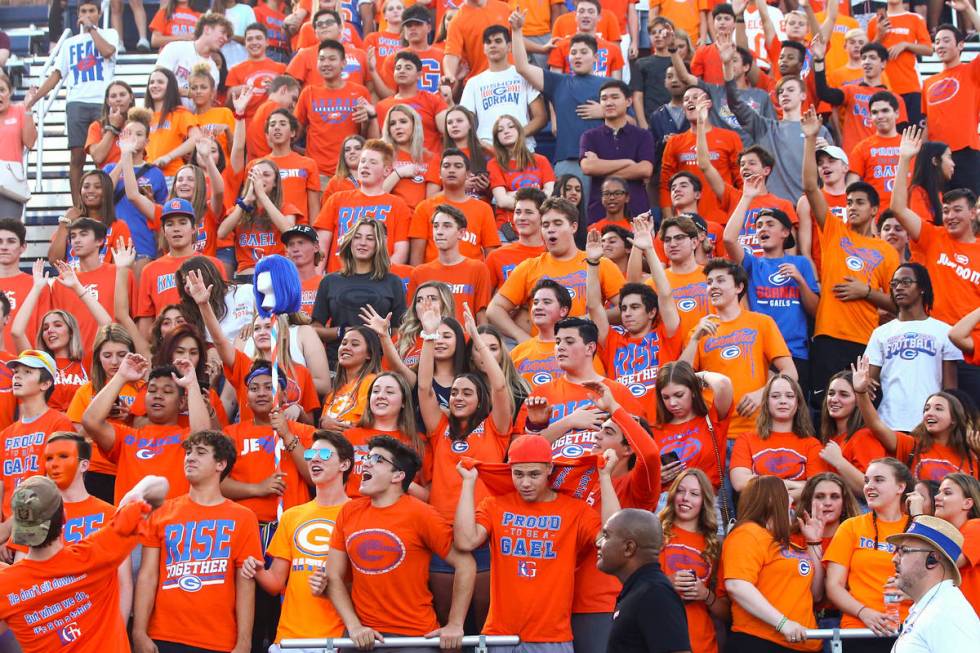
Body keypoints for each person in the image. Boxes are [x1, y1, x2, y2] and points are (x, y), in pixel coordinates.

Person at [453, 434, 613, 653]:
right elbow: (465, 540)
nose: (525, 483)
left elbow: (612, 539)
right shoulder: (494, 505)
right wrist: (468, 483)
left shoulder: (575, 510)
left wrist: (604, 477)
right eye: (518, 474)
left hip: (551, 636)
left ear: (549, 469)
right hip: (498, 634)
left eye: (534, 474)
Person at [326, 436, 474, 651]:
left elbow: (466, 564)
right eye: (367, 457)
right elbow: (333, 575)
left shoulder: (421, 513)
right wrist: (355, 626)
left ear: (398, 475)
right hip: (363, 636)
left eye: (377, 459)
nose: (366, 463)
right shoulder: (349, 511)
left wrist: (455, 623)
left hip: (413, 635)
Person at [417, 302, 512, 628]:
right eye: (455, 391)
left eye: (466, 392)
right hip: (443, 536)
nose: (457, 397)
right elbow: (425, 387)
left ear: (479, 398)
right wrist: (429, 336)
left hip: (484, 534)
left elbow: (500, 386)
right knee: (446, 622)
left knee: (483, 624)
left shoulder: (496, 428)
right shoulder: (440, 429)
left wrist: (475, 336)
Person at [801, 108, 900, 407]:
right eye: (848, 202)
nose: (852, 207)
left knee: (862, 410)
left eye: (859, 203)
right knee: (824, 410)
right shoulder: (834, 230)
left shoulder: (886, 251)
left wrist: (866, 292)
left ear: (874, 210)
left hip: (865, 343)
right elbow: (809, 187)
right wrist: (810, 138)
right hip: (828, 335)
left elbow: (898, 304)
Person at [0, 475, 166, 652]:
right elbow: (160, 485)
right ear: (64, 517)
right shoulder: (97, 552)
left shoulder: (6, 585)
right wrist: (134, 495)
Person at [133, 430, 262, 653]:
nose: (190, 457)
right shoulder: (161, 512)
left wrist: (244, 641)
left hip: (218, 640)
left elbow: (245, 583)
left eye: (201, 452)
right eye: (189, 452)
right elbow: (147, 576)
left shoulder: (243, 517)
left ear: (221, 464)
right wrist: (138, 631)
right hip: (163, 636)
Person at [240, 430, 354, 649]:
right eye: (311, 454)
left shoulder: (358, 512)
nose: (315, 459)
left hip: (336, 639)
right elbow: (275, 584)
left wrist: (335, 587)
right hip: (288, 639)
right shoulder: (293, 515)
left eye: (325, 454)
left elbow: (367, 584)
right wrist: (255, 569)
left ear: (345, 464)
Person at [680, 258, 796, 441]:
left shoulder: (761, 323)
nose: (713, 286)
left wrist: (762, 393)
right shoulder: (699, 331)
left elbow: (790, 372)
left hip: (757, 429)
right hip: (715, 433)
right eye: (709, 282)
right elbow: (680, 379)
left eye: (720, 280)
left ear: (739, 287)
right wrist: (695, 339)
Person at [723, 175, 819, 390]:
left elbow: (815, 311)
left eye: (769, 224)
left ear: (785, 232)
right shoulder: (752, 265)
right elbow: (729, 239)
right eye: (758, 226)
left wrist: (800, 281)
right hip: (760, 352)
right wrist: (747, 197)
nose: (762, 229)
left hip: (795, 352)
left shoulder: (800, 263)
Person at [489, 198, 625, 343]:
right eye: (545, 225)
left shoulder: (599, 263)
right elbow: (494, 309)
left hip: (588, 354)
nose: (550, 229)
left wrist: (591, 317)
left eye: (557, 223)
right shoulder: (529, 267)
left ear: (574, 227)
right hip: (544, 358)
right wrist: (520, 336)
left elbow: (625, 308)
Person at [82, 353, 210, 505]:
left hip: (174, 525)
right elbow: (90, 421)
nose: (158, 396)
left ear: (182, 402)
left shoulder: (187, 439)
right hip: (131, 525)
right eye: (152, 390)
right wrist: (121, 376)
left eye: (167, 391)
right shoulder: (126, 437)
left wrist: (191, 383)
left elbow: (204, 437)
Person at [23, 0, 117, 206]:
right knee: (76, 155)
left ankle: (106, 203)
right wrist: (34, 99)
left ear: (99, 14)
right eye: (83, 11)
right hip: (76, 102)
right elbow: (57, 75)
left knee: (103, 155)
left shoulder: (109, 34)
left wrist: (92, 29)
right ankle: (78, 206)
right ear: (78, 15)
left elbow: (108, 51)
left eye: (92, 11)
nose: (87, 14)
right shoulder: (69, 43)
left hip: (102, 101)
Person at [587, 220, 680, 420]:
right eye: (623, 308)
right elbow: (595, 307)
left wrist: (649, 249)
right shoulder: (612, 340)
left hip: (661, 424)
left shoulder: (666, 336)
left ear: (652, 312)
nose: (626, 313)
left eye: (635, 307)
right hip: (624, 429)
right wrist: (593, 264)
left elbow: (665, 294)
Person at [510, 9, 605, 199]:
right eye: (573, 52)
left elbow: (628, 120)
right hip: (567, 160)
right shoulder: (558, 82)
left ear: (596, 58)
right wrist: (517, 31)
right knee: (566, 218)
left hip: (602, 161)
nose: (577, 56)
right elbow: (522, 67)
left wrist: (606, 111)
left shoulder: (608, 85)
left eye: (583, 52)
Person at [722, 475, 823, 652]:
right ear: (770, 500)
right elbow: (737, 585)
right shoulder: (747, 533)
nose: (791, 500)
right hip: (761, 641)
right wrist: (783, 623)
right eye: (786, 495)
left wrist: (814, 542)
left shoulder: (789, 544)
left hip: (804, 644)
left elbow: (816, 594)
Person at [824, 457, 915, 651]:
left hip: (910, 630)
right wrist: (863, 612)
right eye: (866, 481)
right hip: (859, 629)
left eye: (879, 480)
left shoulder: (918, 528)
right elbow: (833, 585)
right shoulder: (851, 527)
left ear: (900, 487)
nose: (869, 486)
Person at [865, 263, 962, 431]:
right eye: (894, 284)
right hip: (888, 423)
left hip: (929, 425)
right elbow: (868, 385)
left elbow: (950, 390)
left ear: (922, 288)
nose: (899, 288)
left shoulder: (945, 332)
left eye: (906, 282)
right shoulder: (880, 333)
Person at [852, 356, 978, 482]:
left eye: (938, 409)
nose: (930, 413)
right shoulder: (912, 445)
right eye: (927, 409)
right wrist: (861, 392)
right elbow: (875, 424)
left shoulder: (971, 456)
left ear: (954, 419)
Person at [10, 259, 110, 412]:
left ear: (71, 332)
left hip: (81, 431)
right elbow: (17, 331)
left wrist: (77, 287)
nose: (50, 330)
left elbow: (106, 324)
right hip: (49, 431)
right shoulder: (38, 363)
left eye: (57, 325)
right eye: (45, 327)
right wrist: (36, 288)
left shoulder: (87, 361)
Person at [312, 217, 407, 362]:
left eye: (370, 238)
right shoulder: (329, 281)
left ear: (378, 244)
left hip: (378, 366)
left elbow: (398, 332)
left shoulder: (393, 282)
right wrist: (341, 332)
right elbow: (314, 329)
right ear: (350, 242)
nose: (362, 243)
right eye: (357, 237)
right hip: (337, 365)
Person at [599, 508, 693, 653]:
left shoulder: (655, 594)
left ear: (629, 548)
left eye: (606, 536)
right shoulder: (641, 590)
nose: (599, 543)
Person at [659, 468, 731, 653]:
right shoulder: (654, 533)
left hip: (701, 642)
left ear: (704, 501)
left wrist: (705, 594)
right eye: (681, 491)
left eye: (694, 494)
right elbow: (629, 589)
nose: (685, 498)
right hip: (656, 637)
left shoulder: (715, 546)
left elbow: (727, 613)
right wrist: (667, 583)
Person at [313, 139, 411, 270]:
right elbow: (321, 247)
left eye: (373, 162)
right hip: (340, 280)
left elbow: (401, 252)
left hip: (378, 282)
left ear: (387, 171)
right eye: (363, 161)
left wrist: (382, 277)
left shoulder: (398, 205)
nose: (365, 165)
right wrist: (318, 280)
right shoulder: (336, 199)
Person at [888, 515, 980, 650]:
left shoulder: (947, 614)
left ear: (932, 559)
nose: (894, 559)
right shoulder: (936, 606)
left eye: (904, 551)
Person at [0, 349, 73, 518]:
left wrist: (7, 530)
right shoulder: (5, 434)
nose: (17, 376)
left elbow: (53, 486)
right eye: (16, 372)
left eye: (27, 372)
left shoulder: (60, 423)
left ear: (45, 384)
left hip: (39, 524)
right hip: (7, 533)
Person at [295, 39, 376, 181]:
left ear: (343, 63)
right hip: (317, 173)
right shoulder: (308, 93)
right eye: (322, 59)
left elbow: (369, 138)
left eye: (332, 59)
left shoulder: (360, 92)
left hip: (352, 172)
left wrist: (367, 122)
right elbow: (295, 133)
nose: (326, 63)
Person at [921, 6, 980, 195]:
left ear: (961, 45)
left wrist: (968, 9)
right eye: (937, 41)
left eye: (946, 40)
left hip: (966, 151)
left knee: (971, 208)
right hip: (937, 156)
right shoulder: (928, 82)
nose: (940, 45)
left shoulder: (971, 72)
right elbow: (927, 124)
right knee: (942, 210)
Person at [459, 24, 548, 147]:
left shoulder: (524, 75)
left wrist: (517, 135)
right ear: (484, 48)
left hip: (522, 147)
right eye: (488, 42)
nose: (493, 45)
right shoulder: (473, 83)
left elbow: (541, 117)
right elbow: (464, 121)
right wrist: (483, 145)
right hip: (488, 149)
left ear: (509, 46)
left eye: (498, 41)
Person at [580, 80, 655, 222]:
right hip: (599, 213)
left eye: (615, 97)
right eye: (604, 98)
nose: (608, 103)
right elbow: (588, 167)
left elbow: (645, 170)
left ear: (628, 101)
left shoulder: (643, 135)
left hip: (637, 213)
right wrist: (628, 163)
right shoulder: (589, 136)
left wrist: (601, 168)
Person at [409, 149, 501, 264]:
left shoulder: (484, 209)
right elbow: (416, 258)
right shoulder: (424, 208)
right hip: (434, 280)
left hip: (471, 279)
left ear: (468, 174)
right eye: (446, 166)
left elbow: (491, 254)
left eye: (458, 166)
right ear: (439, 173)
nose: (451, 170)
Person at [407, 204, 494, 325]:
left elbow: (482, 316)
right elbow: (412, 320)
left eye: (447, 226)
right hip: (430, 340)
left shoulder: (478, 268)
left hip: (466, 341)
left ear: (461, 233)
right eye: (436, 226)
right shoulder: (419, 273)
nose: (439, 232)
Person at [219, 158, 300, 279]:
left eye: (266, 175)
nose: (260, 179)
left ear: (275, 183)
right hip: (246, 275)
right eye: (255, 175)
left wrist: (262, 195)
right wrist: (246, 201)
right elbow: (222, 233)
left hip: (275, 274)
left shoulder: (286, 208)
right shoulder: (240, 208)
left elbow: (289, 231)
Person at [816, 371, 887, 496]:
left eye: (844, 395)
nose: (834, 399)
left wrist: (839, 461)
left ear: (858, 401)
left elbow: (872, 489)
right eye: (831, 393)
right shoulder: (830, 438)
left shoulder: (865, 436)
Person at [487, 115, 555, 228]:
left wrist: (511, 193)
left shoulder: (541, 160)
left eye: (511, 127)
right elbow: (502, 201)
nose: (506, 131)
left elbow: (550, 194)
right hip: (508, 228)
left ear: (519, 131)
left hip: (539, 227)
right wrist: (534, 195)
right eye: (500, 130)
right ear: (497, 137)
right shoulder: (494, 164)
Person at [156, 14, 232, 109]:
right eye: (223, 32)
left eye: (227, 36)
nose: (225, 38)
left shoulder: (214, 71)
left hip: (192, 120)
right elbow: (158, 82)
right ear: (207, 29)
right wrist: (188, 93)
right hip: (166, 114)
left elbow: (207, 103)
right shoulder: (174, 48)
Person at [931, 473, 980, 614]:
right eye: (938, 492)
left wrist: (916, 514)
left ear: (967, 503)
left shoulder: (975, 526)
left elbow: (947, 563)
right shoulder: (945, 535)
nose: (937, 497)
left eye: (947, 493)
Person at [847, 91, 904, 206]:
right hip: (874, 217)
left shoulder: (910, 144)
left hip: (907, 216)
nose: (880, 116)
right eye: (874, 112)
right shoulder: (861, 148)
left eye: (885, 110)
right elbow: (851, 188)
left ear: (897, 113)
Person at [486, 187, 547, 290]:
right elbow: (484, 301)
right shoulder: (496, 257)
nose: (521, 218)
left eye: (528, 212)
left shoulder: (553, 255)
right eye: (518, 212)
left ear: (542, 216)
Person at [548, 0, 625, 79]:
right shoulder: (560, 47)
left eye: (591, 12)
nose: (586, 15)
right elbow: (555, 84)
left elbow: (617, 85)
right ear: (575, 16)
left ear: (599, 17)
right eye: (581, 11)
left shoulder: (613, 50)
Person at [225, 23, 287, 121]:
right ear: (245, 43)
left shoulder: (282, 68)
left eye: (258, 38)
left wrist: (275, 90)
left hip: (275, 126)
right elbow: (228, 106)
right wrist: (235, 92)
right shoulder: (235, 70)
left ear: (267, 42)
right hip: (246, 128)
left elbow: (289, 101)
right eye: (250, 39)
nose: (254, 42)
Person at [442, 0, 512, 84]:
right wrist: (449, 75)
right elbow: (452, 54)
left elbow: (516, 43)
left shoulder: (504, 8)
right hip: (481, 84)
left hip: (510, 78)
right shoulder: (457, 21)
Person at [0, 72, 37, 219]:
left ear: (10, 92)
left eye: (2, 90)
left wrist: (28, 110)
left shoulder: (20, 110)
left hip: (11, 183)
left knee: (9, 231)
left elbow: (30, 142)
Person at [86, 80, 135, 168]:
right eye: (113, 96)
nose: (118, 99)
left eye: (122, 95)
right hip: (107, 178)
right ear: (108, 101)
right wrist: (113, 127)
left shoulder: (140, 124)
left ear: (131, 98)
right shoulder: (96, 126)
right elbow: (98, 157)